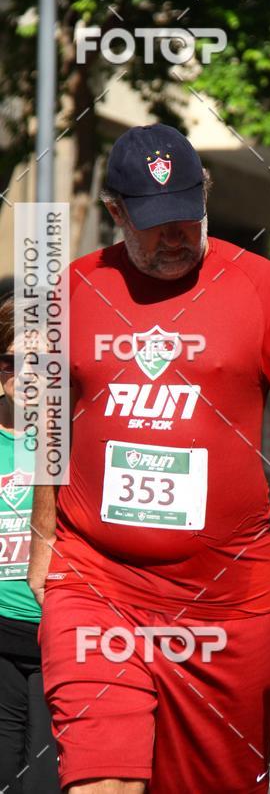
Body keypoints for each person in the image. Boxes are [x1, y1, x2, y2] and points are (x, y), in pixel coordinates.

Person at [28, 123, 270, 794]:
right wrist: (43, 542)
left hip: (226, 604)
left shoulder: (261, 288)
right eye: (155, 223)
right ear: (115, 212)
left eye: (186, 216)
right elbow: (48, 425)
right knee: (102, 779)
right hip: (96, 584)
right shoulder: (72, 290)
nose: (175, 236)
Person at [0, 296, 60, 794]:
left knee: (42, 781)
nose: (25, 374)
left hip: (59, 637)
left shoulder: (75, 440)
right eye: (11, 362)